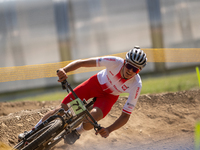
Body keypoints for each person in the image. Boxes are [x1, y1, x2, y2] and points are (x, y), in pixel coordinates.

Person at [18, 46, 147, 145]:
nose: (130, 70)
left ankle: (77, 132)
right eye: (129, 66)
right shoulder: (114, 62)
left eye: (135, 69)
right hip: (94, 85)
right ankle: (31, 132)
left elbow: (125, 115)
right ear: (125, 62)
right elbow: (82, 63)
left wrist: (109, 129)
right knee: (61, 110)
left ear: (139, 71)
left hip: (108, 97)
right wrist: (65, 70)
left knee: (93, 118)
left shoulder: (136, 84)